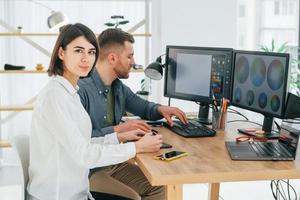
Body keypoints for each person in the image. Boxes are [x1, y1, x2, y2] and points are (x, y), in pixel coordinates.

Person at [27, 23, 163, 200]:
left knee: (156, 187)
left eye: (91, 52)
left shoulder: (70, 92)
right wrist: (135, 147)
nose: (86, 59)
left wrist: (118, 137)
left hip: (78, 192)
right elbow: (84, 155)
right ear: (61, 53)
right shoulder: (55, 96)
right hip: (59, 196)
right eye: (78, 51)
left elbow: (85, 143)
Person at [78, 28, 188, 200]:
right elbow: (79, 141)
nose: (133, 62)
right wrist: (118, 130)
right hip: (89, 170)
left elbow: (143, 107)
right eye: (129, 56)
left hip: (114, 162)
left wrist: (161, 109)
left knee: (159, 188)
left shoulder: (117, 87)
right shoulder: (82, 90)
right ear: (112, 58)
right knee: (133, 198)